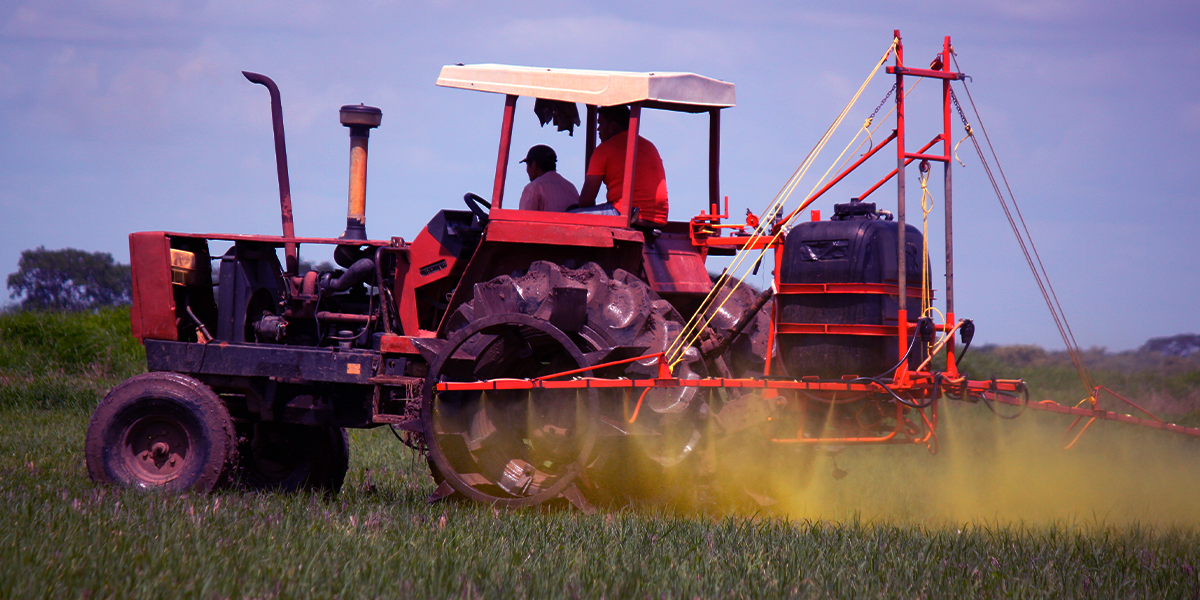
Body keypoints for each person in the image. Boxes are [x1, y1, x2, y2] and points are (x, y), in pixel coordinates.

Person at [577, 105, 668, 225]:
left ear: (613, 126)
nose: (598, 129)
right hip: (659, 220)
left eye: (601, 124)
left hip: (627, 215)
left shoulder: (605, 149)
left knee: (567, 217)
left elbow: (586, 200)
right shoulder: (649, 146)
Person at [517, 144, 579, 212]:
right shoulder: (570, 187)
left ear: (534, 164)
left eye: (527, 165)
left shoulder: (533, 188)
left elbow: (525, 219)